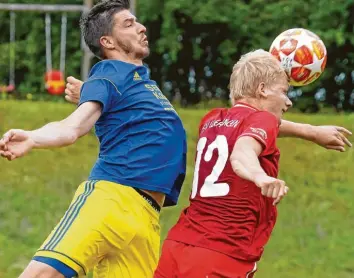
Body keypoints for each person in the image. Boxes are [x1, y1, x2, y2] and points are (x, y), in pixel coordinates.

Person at [0, 1, 186, 277]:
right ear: (107, 41)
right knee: (41, 275)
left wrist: (88, 91)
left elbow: (117, 103)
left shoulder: (139, 82)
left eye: (137, 21)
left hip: (146, 218)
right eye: (129, 23)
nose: (141, 27)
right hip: (111, 200)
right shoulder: (110, 71)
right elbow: (73, 127)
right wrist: (33, 137)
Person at [153, 49, 352, 278]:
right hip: (221, 254)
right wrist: (260, 176)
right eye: (284, 92)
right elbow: (242, 151)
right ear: (262, 89)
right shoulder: (262, 120)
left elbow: (256, 125)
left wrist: (311, 132)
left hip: (178, 245)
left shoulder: (211, 120)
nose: (287, 102)